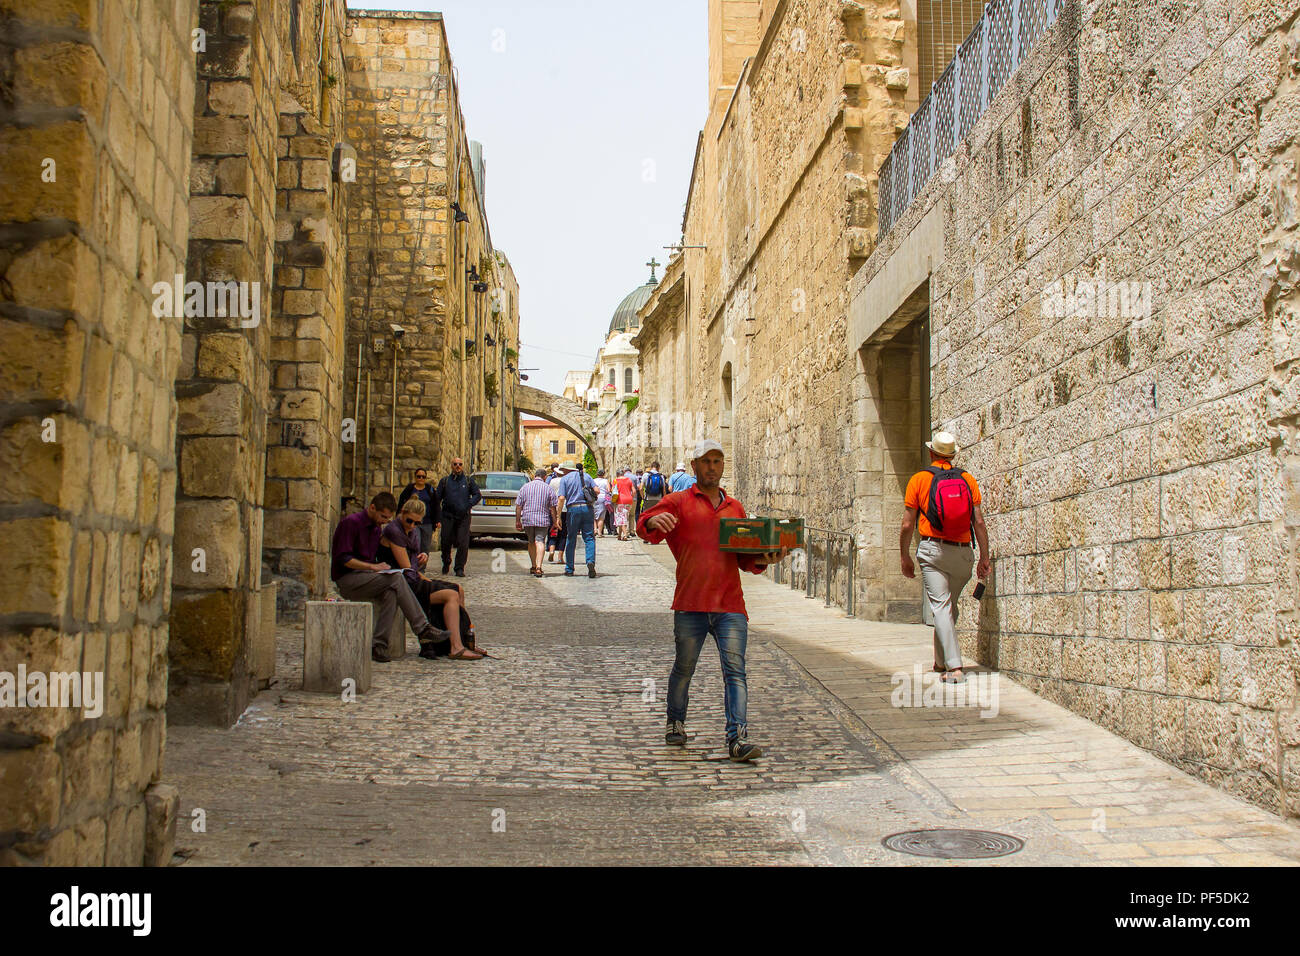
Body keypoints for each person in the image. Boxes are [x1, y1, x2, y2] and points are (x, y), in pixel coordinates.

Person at [638, 440, 787, 762]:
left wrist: (767, 559)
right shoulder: (677, 502)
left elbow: (746, 559)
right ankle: (675, 722)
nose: (712, 467)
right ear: (694, 467)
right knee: (684, 668)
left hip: (730, 606)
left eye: (717, 461)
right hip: (690, 604)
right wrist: (651, 522)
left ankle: (737, 738)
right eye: (706, 461)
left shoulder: (735, 509)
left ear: (723, 466)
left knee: (736, 671)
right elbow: (645, 525)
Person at [899, 431, 991, 684]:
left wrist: (904, 555)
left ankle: (954, 667)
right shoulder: (968, 479)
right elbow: (979, 522)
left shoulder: (919, 480)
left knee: (941, 606)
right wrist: (984, 556)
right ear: (952, 455)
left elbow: (908, 525)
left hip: (933, 552)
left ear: (931, 453)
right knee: (949, 606)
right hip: (963, 553)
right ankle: (940, 661)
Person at [330, 491, 450, 662]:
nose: (385, 521)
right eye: (383, 516)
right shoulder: (351, 523)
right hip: (348, 579)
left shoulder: (376, 528)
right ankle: (423, 628)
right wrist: (372, 566)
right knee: (395, 579)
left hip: (367, 578)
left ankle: (379, 646)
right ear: (372, 508)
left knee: (391, 593)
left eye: (388, 518)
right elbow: (344, 559)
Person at [379, 498, 484, 660]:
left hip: (414, 577)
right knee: (451, 595)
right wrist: (419, 568)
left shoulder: (411, 531)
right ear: (402, 513)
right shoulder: (394, 531)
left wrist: (422, 559)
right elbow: (406, 567)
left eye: (417, 523)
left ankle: (463, 641)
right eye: (409, 521)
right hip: (403, 583)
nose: (412, 525)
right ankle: (455, 647)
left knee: (458, 589)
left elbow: (413, 562)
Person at [435, 456, 481, 576]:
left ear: (462, 466)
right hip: (448, 516)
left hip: (463, 517)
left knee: (463, 543)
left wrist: (468, 505)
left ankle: (459, 567)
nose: (457, 467)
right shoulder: (445, 482)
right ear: (452, 466)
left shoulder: (468, 481)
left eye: (460, 464)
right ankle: (446, 561)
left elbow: (477, 495)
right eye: (455, 464)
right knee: (445, 541)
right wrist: (438, 517)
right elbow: (436, 499)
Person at [556, 460, 598, 578]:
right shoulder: (586, 476)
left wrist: (558, 516)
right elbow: (597, 491)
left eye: (563, 470)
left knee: (571, 538)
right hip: (587, 508)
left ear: (566, 470)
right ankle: (590, 561)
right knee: (589, 537)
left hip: (573, 509)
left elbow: (561, 498)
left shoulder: (565, 479)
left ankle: (569, 568)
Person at [515, 468, 559, 577]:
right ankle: (539, 567)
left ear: (535, 476)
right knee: (540, 541)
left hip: (528, 519)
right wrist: (555, 521)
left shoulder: (525, 487)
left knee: (531, 542)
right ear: (544, 477)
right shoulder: (548, 488)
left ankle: (533, 565)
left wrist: (517, 521)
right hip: (542, 519)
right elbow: (553, 508)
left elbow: (518, 506)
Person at [397, 466, 439, 555]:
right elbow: (402, 502)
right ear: (415, 477)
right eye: (419, 476)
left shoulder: (429, 489)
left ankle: (422, 568)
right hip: (413, 523)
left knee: (425, 547)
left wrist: (437, 520)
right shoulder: (410, 489)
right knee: (415, 544)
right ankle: (414, 566)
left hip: (427, 523)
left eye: (423, 477)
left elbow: (436, 505)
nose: (421, 479)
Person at [545, 466, 567, 563]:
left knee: (553, 530)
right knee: (563, 534)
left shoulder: (552, 481)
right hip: (565, 509)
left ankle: (551, 550)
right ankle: (560, 557)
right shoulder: (566, 481)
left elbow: (549, 494)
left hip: (553, 508)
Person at [640, 461, 667, 532]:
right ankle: (654, 534)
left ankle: (646, 535)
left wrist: (643, 497)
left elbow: (640, 488)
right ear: (658, 467)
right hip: (658, 499)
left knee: (646, 517)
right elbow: (664, 490)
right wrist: (664, 499)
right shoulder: (661, 476)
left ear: (651, 467)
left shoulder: (645, 475)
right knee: (656, 516)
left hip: (648, 499)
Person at [613, 468, 636, 541]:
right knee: (623, 517)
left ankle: (625, 535)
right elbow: (634, 491)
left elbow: (613, 491)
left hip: (620, 501)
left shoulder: (616, 481)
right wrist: (630, 496)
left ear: (617, 474)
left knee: (621, 518)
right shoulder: (628, 480)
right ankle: (619, 535)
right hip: (629, 500)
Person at [592, 468, 611, 536]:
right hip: (603, 498)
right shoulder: (606, 481)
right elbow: (608, 490)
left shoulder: (593, 480)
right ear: (603, 474)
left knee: (594, 515)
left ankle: (595, 529)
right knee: (601, 517)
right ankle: (600, 532)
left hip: (595, 498)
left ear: (597, 474)